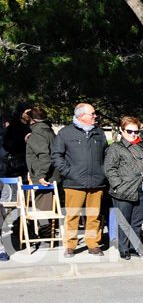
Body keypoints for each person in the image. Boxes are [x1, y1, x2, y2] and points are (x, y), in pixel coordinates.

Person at [51, 103, 108, 257]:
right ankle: (70, 245)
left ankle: (93, 244)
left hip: (96, 182)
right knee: (72, 215)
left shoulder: (99, 133)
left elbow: (106, 155)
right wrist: (69, 172)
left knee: (93, 215)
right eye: (93, 114)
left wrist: (102, 172)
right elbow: (56, 155)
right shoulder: (65, 133)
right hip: (73, 183)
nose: (95, 116)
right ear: (82, 116)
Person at [104, 116, 143, 260]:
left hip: (142, 189)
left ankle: (135, 246)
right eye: (129, 131)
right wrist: (118, 184)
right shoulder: (116, 148)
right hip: (123, 190)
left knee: (137, 221)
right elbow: (110, 168)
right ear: (122, 131)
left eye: (136, 131)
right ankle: (123, 248)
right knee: (124, 221)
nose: (133, 134)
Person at [24, 108, 62, 246]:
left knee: (43, 208)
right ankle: (47, 234)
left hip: (45, 177)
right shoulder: (48, 131)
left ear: (32, 120)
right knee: (48, 207)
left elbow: (44, 155)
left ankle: (46, 236)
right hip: (52, 175)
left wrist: (40, 174)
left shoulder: (37, 134)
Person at [3, 101, 32, 179]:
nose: (30, 115)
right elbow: (7, 145)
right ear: (21, 113)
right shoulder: (13, 127)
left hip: (29, 162)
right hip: (17, 165)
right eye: (28, 113)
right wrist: (23, 141)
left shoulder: (30, 126)